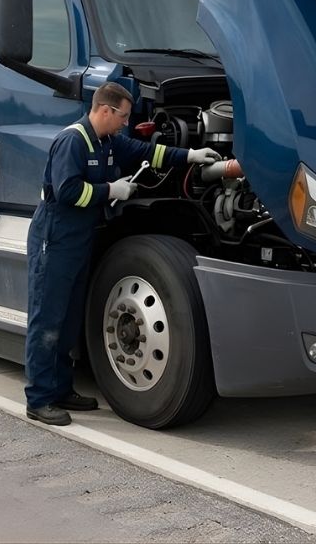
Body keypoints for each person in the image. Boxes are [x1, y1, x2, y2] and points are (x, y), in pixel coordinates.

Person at [24, 82, 219, 426]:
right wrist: (110, 190)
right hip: (54, 241)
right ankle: (39, 399)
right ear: (105, 110)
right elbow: (68, 191)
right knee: (48, 320)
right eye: (123, 116)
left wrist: (190, 156)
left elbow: (148, 152)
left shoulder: (108, 141)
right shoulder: (73, 141)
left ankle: (61, 389)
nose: (125, 123)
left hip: (77, 240)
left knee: (69, 320)